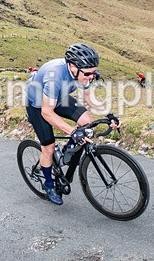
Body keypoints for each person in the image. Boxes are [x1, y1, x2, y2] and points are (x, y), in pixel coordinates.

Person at [25, 43, 118, 205]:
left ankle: (66, 153)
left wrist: (108, 114)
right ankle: (49, 185)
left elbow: (88, 98)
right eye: (88, 73)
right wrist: (72, 131)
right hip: (38, 105)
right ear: (73, 67)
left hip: (60, 98)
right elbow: (47, 112)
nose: (91, 76)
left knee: (87, 122)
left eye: (94, 73)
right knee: (48, 147)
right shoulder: (54, 76)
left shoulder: (82, 73)